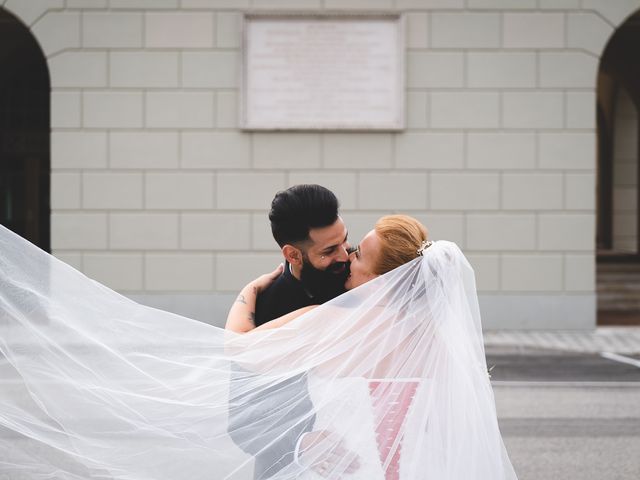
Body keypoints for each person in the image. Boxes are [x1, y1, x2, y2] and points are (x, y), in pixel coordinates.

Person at [0, 213, 518, 479]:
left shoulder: (341, 324)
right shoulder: (437, 334)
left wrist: (248, 294)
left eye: (359, 253)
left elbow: (240, 351)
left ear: (384, 277)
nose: (348, 258)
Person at [226, 184, 357, 479]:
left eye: (345, 242)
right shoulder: (266, 305)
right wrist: (301, 444)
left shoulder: (362, 275)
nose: (345, 257)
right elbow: (242, 421)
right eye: (329, 251)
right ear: (293, 255)